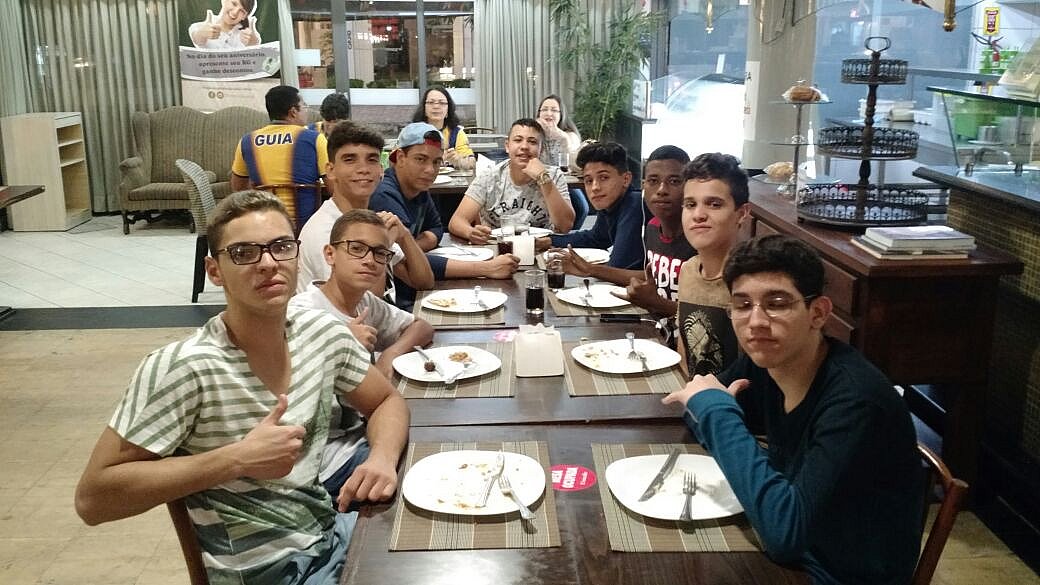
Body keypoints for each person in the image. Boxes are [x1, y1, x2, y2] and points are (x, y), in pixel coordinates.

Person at [74, 191, 409, 585]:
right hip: (267, 572)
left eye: (281, 247)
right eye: (244, 253)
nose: (268, 263)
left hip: (329, 537)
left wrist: (381, 458)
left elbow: (386, 400)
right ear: (214, 271)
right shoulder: (184, 367)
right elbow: (93, 499)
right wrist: (236, 460)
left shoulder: (321, 334)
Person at [662, 234, 923, 585]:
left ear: (818, 313)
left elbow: (784, 536)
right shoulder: (766, 359)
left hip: (841, 571)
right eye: (742, 305)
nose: (756, 321)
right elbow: (699, 407)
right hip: (797, 542)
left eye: (777, 303)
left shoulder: (855, 400)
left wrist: (718, 413)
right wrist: (713, 410)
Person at [290, 209, 433, 501]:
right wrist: (340, 340)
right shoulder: (302, 311)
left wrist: (390, 354)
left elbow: (421, 326)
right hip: (323, 460)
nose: (369, 260)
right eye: (356, 249)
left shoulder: (365, 302)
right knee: (425, 471)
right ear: (330, 254)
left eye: (379, 253)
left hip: (361, 433)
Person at [370, 122, 519, 307]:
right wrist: (487, 268)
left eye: (436, 162)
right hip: (397, 301)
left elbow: (437, 228)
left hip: (418, 290)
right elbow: (408, 263)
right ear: (400, 157)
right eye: (420, 159)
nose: (430, 170)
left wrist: (413, 247)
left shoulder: (418, 187)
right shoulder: (385, 195)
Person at [297, 121, 433, 300]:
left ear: (381, 170)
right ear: (330, 170)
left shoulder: (369, 220)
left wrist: (404, 235)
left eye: (372, 160)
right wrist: (381, 247)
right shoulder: (325, 233)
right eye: (350, 160)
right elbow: (361, 305)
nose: (363, 169)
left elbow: (424, 282)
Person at [562, 145, 693, 318]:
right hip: (657, 323)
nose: (661, 190)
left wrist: (657, 303)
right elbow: (658, 276)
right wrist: (588, 269)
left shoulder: (697, 235)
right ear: (644, 185)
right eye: (653, 181)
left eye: (674, 181)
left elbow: (710, 312)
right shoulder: (653, 227)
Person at [674, 152, 749, 376]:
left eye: (714, 204)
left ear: (741, 213)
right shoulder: (688, 270)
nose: (698, 215)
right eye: (690, 204)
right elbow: (685, 354)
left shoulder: (750, 281)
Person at [449, 118, 575, 244]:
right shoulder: (490, 176)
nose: (524, 146)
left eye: (532, 142)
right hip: (496, 248)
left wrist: (543, 179)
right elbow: (456, 221)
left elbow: (565, 226)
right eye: (518, 140)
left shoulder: (554, 176)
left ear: (541, 149)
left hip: (540, 248)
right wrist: (471, 232)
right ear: (507, 146)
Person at [231, 85, 328, 229]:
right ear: (293, 112)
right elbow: (333, 184)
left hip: (264, 227)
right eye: (304, 106)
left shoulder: (247, 141)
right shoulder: (315, 139)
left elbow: (238, 187)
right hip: (307, 227)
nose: (306, 111)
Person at [538, 141, 643, 271]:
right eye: (589, 180)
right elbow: (596, 238)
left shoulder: (635, 205)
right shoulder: (611, 203)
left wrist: (586, 268)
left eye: (604, 178)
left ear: (626, 179)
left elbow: (619, 266)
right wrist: (549, 241)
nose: (595, 187)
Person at [412, 86, 475, 170]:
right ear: (424, 108)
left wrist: (459, 160)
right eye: (431, 102)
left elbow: (472, 163)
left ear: (448, 110)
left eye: (441, 103)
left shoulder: (456, 133)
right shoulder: (412, 132)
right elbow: (399, 161)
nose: (436, 106)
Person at [188, 0, 260, 50]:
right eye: (234, 4)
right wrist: (201, 34)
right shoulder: (200, 27)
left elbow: (256, 44)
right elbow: (196, 38)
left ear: (245, 16)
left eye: (242, 11)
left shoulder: (247, 35)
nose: (235, 12)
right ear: (224, 1)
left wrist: (253, 45)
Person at [535, 94, 581, 169]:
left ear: (561, 114)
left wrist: (562, 138)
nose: (549, 113)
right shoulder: (535, 135)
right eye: (544, 109)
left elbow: (570, 168)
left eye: (554, 110)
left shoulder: (571, 137)